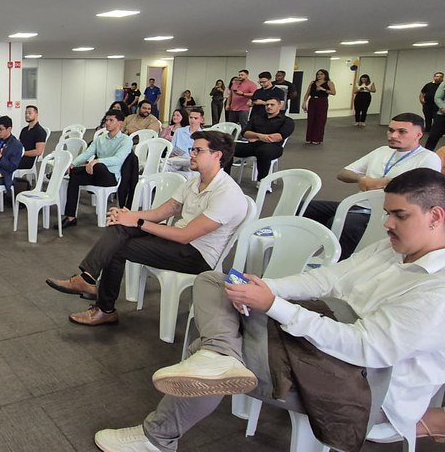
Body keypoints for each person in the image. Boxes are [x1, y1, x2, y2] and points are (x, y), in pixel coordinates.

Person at [94, 168, 445, 452]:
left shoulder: (436, 291)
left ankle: (159, 435)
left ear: (436, 216)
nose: (387, 224)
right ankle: (219, 356)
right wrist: (266, 287)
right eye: (387, 214)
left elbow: (365, 347)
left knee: (210, 353)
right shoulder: (392, 248)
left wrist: (274, 306)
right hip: (325, 337)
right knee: (215, 282)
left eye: (399, 216)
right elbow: (327, 280)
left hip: (365, 387)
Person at [46, 130, 247, 326]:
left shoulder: (227, 193)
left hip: (197, 255)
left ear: (217, 155)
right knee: (119, 226)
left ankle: (104, 308)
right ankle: (88, 278)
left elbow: (185, 236)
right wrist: (129, 216)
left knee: (115, 247)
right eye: (192, 149)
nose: (191, 154)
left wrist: (139, 222)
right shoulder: (194, 182)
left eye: (198, 151)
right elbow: (162, 212)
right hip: (177, 242)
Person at [303, 113, 440, 259]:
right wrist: (362, 178)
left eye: (401, 132)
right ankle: (299, 253)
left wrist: (385, 182)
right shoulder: (382, 151)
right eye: (391, 130)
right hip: (356, 205)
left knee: (343, 223)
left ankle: (339, 264)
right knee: (304, 207)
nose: (393, 135)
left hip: (384, 212)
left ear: (418, 135)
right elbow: (343, 173)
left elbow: (422, 191)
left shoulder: (428, 158)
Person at [61, 110, 133, 229]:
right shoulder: (100, 139)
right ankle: (71, 217)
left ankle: (61, 172)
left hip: (110, 177)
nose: (107, 123)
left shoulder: (125, 140)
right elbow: (86, 153)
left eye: (111, 120)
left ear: (119, 123)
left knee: (98, 166)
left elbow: (118, 159)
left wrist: (96, 161)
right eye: (106, 120)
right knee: (73, 175)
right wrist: (73, 163)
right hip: (95, 174)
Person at [224, 98, 294, 183]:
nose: (269, 107)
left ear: (280, 106)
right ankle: (224, 178)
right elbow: (245, 133)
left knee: (263, 151)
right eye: (267, 105)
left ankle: (262, 181)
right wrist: (259, 136)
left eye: (272, 105)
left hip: (273, 147)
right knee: (227, 147)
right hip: (253, 145)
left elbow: (279, 136)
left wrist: (255, 137)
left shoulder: (287, 121)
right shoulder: (256, 118)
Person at [166, 107, 205, 174]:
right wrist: (172, 153)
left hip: (190, 160)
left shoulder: (203, 135)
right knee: (163, 167)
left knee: (192, 172)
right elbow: (172, 147)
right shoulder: (179, 131)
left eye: (196, 118)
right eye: (191, 117)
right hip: (177, 159)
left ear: (201, 120)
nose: (193, 120)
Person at [303, 68, 336, 145]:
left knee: (320, 120)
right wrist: (304, 103)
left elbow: (333, 92)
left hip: (322, 101)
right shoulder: (313, 83)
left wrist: (323, 89)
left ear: (325, 75)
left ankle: (317, 138)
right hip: (313, 101)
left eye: (321, 74)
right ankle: (309, 138)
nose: (319, 76)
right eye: (318, 74)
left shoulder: (329, 83)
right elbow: (307, 93)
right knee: (311, 119)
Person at [17, 105, 47, 170]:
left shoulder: (40, 131)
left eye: (30, 113)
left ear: (36, 114)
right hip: (19, 157)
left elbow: (38, 151)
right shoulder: (24, 130)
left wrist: (23, 153)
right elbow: (18, 144)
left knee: (6, 164)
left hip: (28, 160)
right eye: (26, 113)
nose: (27, 115)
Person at [423, 79, 445, 150]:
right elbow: (437, 98)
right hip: (442, 115)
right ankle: (427, 155)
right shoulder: (444, 84)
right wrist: (442, 107)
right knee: (433, 136)